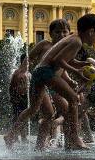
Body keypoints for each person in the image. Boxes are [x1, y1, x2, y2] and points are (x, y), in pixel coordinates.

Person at [4, 14, 95, 150]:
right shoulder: (76, 42)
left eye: (64, 31)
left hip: (40, 73)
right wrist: (77, 74)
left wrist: (81, 65)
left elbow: (67, 61)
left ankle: (22, 139)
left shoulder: (72, 40)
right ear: (91, 31)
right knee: (74, 99)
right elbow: (58, 61)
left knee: (39, 111)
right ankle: (74, 139)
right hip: (47, 73)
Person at [27, 18, 71, 149]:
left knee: (67, 111)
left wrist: (70, 80)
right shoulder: (45, 45)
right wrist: (23, 71)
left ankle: (64, 142)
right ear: (50, 34)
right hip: (41, 83)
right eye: (57, 32)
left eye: (65, 32)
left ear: (69, 33)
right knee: (36, 111)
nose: (61, 35)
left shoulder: (66, 48)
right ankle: (13, 134)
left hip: (53, 86)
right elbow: (29, 57)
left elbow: (62, 69)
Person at [8, 53, 31, 143]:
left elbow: (28, 87)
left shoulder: (28, 73)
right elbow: (11, 85)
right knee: (17, 117)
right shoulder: (16, 72)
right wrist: (12, 96)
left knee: (23, 118)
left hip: (25, 98)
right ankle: (15, 137)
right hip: (17, 97)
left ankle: (23, 137)